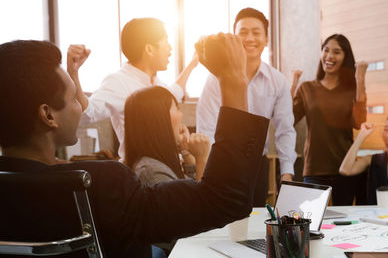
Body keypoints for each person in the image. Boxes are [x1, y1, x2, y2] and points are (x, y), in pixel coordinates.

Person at [0, 35, 268, 257]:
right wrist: (234, 80)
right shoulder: (100, 185)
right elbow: (223, 200)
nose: (82, 105)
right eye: (73, 98)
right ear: (48, 115)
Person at [196, 7, 296, 206]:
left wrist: (287, 172)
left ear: (266, 40)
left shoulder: (277, 81)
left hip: (257, 164)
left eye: (256, 32)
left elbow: (285, 129)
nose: (250, 38)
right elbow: (206, 127)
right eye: (243, 32)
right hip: (222, 163)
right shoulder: (215, 78)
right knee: (220, 222)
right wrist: (205, 169)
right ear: (234, 39)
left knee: (254, 221)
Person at [69, 18, 199, 159]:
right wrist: (73, 73)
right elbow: (87, 113)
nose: (170, 48)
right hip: (143, 173)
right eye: (166, 41)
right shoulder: (119, 81)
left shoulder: (157, 83)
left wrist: (193, 63)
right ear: (149, 49)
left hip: (169, 167)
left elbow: (176, 90)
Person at [291, 34, 368, 205]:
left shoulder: (352, 90)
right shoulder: (307, 88)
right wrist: (292, 85)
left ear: (345, 57)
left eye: (337, 52)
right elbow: (288, 120)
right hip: (314, 168)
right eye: (326, 50)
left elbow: (359, 122)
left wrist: (360, 78)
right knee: (312, 223)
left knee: (344, 223)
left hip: (345, 168)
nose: (329, 56)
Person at [124, 86, 210, 186]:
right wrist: (201, 159)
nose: (181, 114)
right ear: (160, 119)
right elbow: (199, 201)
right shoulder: (152, 172)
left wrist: (186, 152)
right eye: (177, 109)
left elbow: (188, 188)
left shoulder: (156, 163)